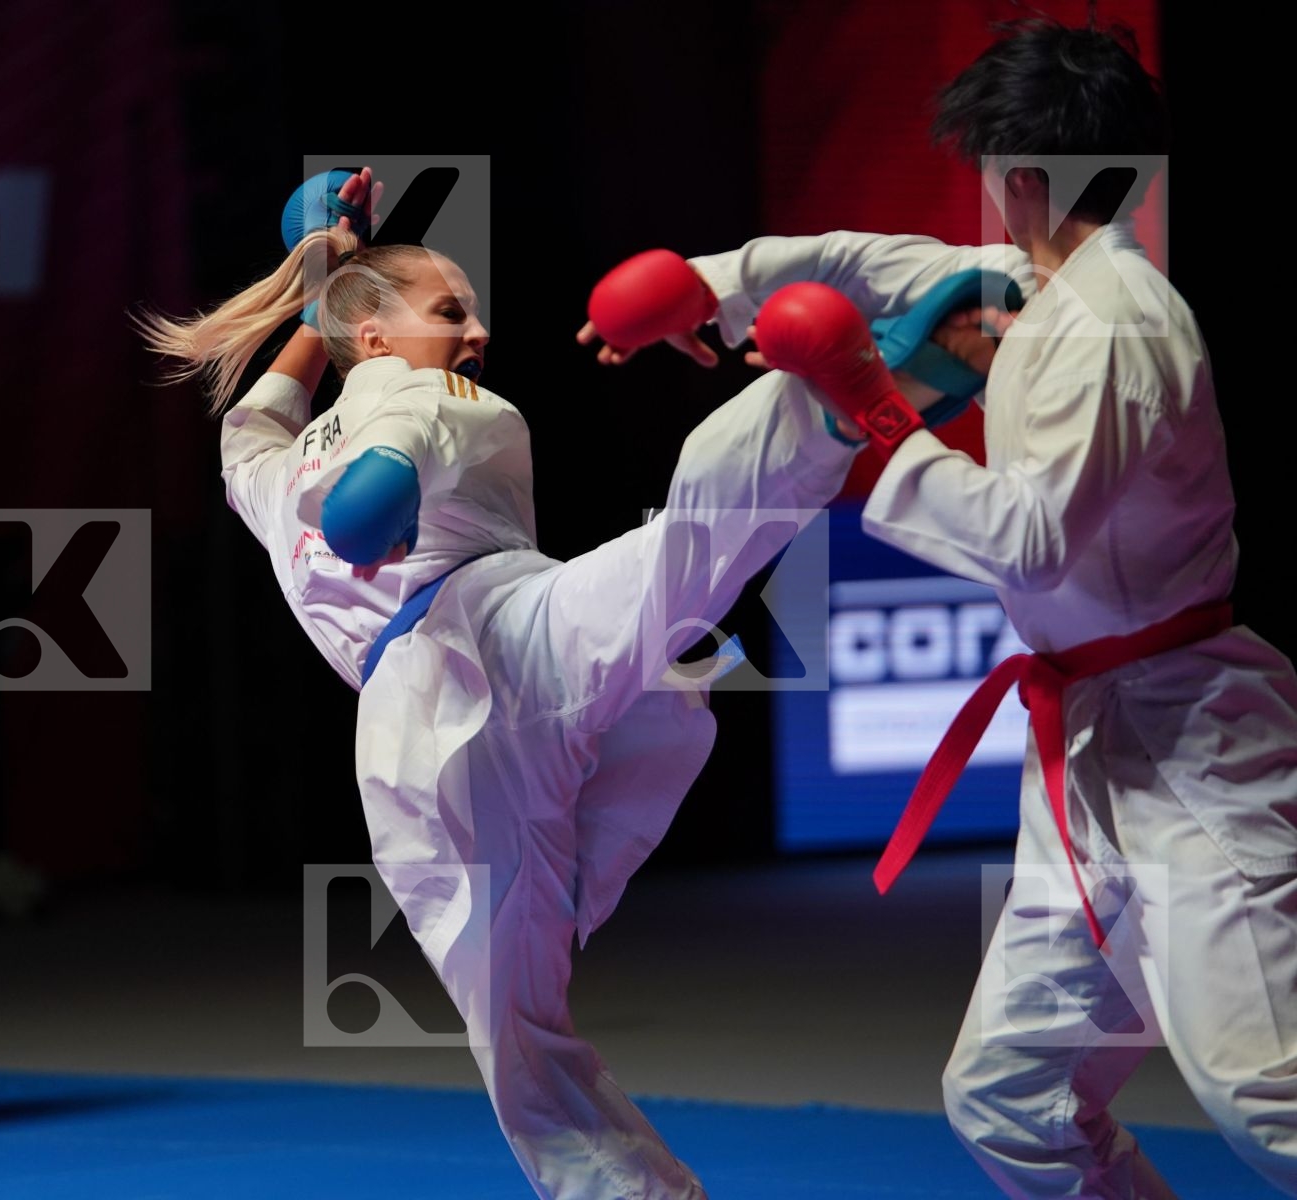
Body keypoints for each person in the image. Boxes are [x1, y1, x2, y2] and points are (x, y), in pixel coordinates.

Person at [138, 167, 914, 1198]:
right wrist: (349, 363)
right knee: (685, 558)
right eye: (450, 310)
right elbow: (394, 436)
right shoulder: (438, 397)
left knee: (520, 1033)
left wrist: (327, 287)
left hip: (434, 723)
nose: (477, 331)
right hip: (509, 643)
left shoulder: (270, 473)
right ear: (372, 335)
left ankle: (835, 397)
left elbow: (267, 420)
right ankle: (834, 392)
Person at [679, 19, 1297, 1197]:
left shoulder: (1116, 323)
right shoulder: (1037, 288)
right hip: (1090, 747)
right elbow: (860, 260)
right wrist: (702, 289)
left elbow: (1032, 537)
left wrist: (878, 410)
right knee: (1011, 1095)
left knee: (1266, 1094)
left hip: (1191, 747)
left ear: (1019, 177)